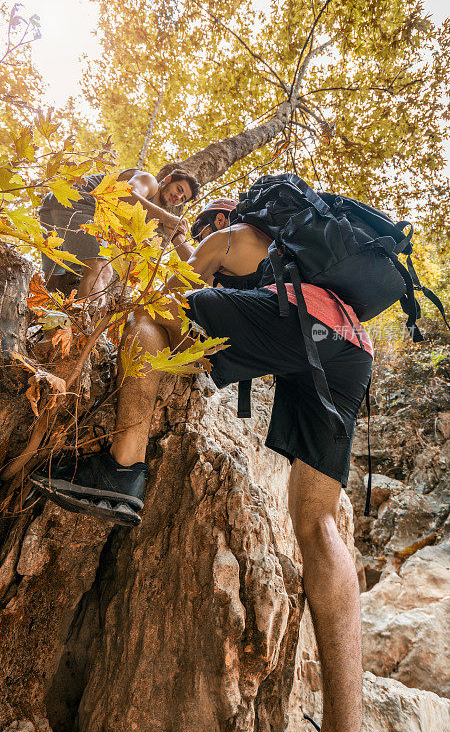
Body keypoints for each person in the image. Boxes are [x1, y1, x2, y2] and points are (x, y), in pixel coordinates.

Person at [31, 197, 373, 732]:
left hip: (299, 317)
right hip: (353, 347)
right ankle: (344, 724)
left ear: (219, 220)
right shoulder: (301, 257)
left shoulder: (231, 232)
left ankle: (124, 468)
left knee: (147, 317)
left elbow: (175, 297)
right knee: (319, 524)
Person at [38, 164, 200, 299]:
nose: (178, 197)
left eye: (183, 198)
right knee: (101, 269)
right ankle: (84, 331)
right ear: (167, 179)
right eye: (179, 189)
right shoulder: (149, 181)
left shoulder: (148, 214)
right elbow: (125, 195)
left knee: (53, 282)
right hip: (77, 203)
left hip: (53, 210)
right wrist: (166, 217)